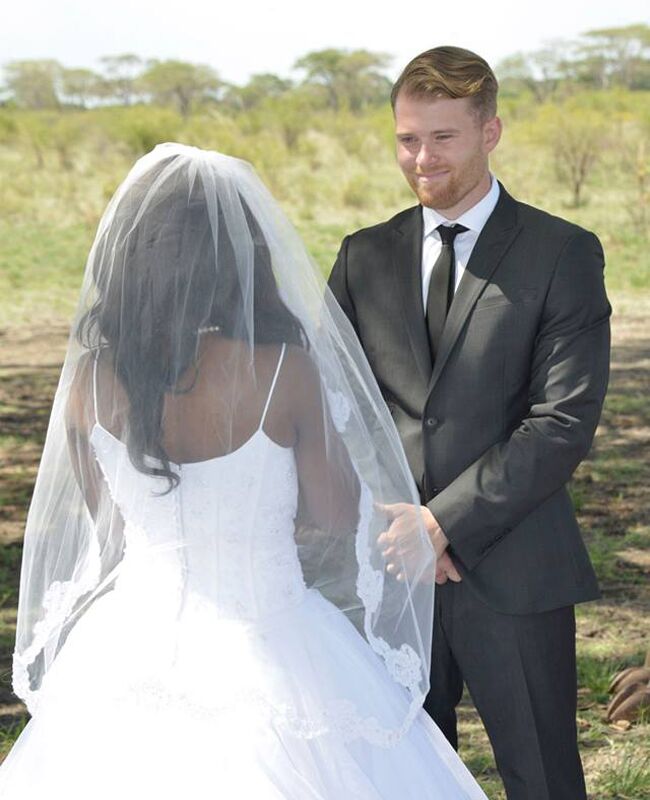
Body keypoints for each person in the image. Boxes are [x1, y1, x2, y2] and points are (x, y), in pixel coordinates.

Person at [1, 143, 487, 799]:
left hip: (129, 644)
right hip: (275, 637)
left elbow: (108, 523)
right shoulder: (283, 371)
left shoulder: (91, 381)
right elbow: (337, 514)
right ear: (241, 260)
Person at [328, 46, 611, 800]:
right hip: (390, 573)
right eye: (407, 138)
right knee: (400, 781)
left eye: (443, 137)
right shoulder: (362, 257)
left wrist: (442, 525)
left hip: (514, 568)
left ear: (491, 132)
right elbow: (337, 406)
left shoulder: (563, 253)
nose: (422, 159)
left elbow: (563, 420)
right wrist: (403, 527)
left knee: (543, 780)